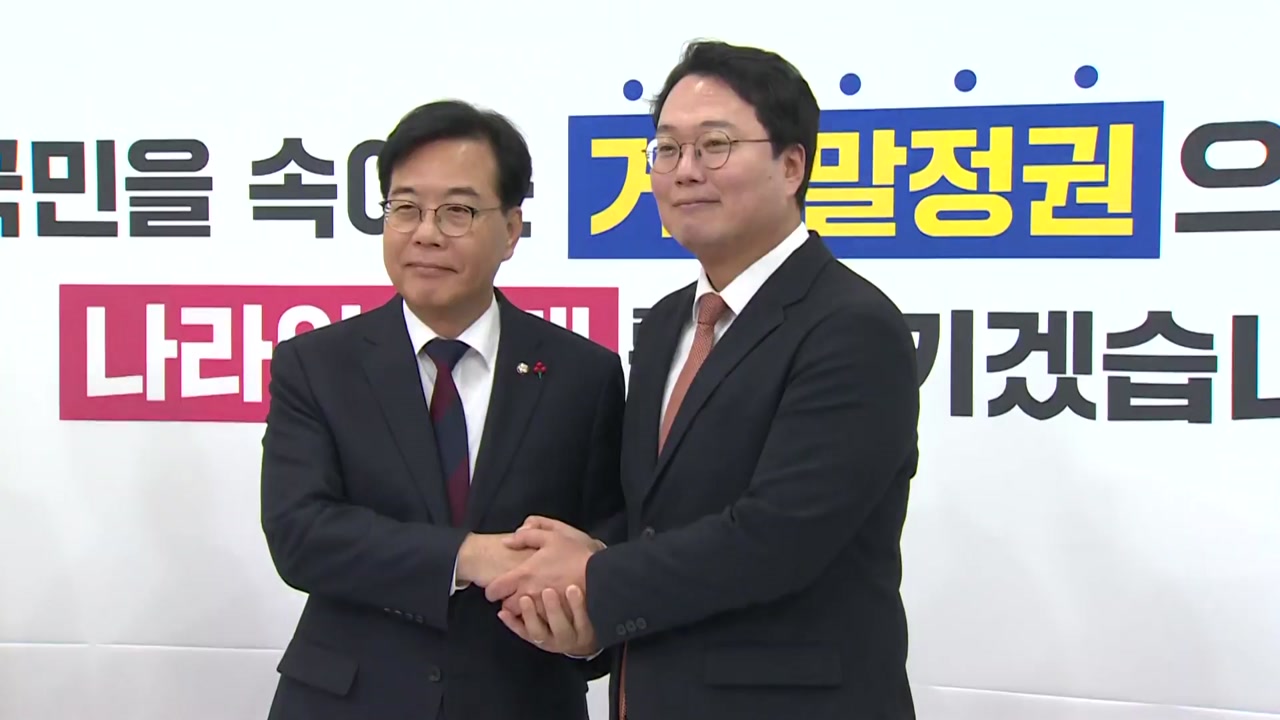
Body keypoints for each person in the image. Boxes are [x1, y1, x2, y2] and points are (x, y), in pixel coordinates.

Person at [485, 40, 921, 720]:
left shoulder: (851, 326)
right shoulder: (668, 322)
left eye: (715, 145)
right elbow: (651, 524)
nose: (685, 170)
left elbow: (776, 539)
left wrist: (593, 576)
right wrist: (583, 616)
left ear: (792, 166)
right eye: (667, 149)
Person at [259, 99, 624, 720]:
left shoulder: (582, 374)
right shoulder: (317, 365)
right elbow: (302, 534)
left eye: (458, 210)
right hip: (348, 699)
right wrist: (469, 555)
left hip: (520, 698)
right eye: (405, 208)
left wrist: (586, 629)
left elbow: (608, 538)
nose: (426, 233)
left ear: (511, 229)